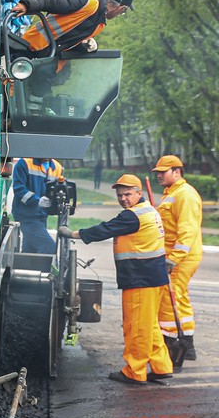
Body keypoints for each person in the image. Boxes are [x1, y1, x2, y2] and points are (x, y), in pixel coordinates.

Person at [57, 174, 172, 385]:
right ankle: (161, 366)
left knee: (137, 326)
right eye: (120, 195)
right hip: (154, 277)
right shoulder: (148, 211)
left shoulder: (132, 216)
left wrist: (73, 234)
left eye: (128, 194)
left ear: (139, 193)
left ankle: (135, 371)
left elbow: (104, 229)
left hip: (140, 279)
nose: (123, 199)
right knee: (150, 325)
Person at [152, 154, 202, 365]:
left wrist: (173, 259)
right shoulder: (172, 193)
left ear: (177, 172)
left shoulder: (185, 194)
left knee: (172, 297)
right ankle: (185, 343)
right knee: (177, 296)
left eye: (163, 172)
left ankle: (178, 343)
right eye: (157, 173)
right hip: (175, 255)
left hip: (181, 257)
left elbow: (187, 230)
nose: (159, 176)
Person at [10, 0, 135, 57]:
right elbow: (52, 1)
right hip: (27, 48)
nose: (121, 13)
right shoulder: (88, 2)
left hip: (42, 60)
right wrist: (27, 5)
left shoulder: (99, 24)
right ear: (121, 7)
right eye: (124, 11)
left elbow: (67, 43)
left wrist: (85, 47)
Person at [11, 157, 63, 254]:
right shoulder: (25, 163)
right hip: (25, 216)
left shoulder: (57, 167)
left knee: (30, 251)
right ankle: (46, 269)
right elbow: (18, 189)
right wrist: (37, 200)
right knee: (49, 247)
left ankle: (23, 266)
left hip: (42, 216)